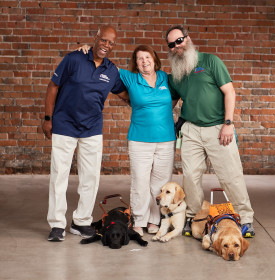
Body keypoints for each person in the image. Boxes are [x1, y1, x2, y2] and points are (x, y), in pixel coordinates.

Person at [165, 25, 255, 237]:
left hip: (218, 128)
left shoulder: (210, 61)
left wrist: (228, 123)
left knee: (230, 176)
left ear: (188, 39)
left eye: (179, 40)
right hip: (191, 131)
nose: (176, 46)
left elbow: (229, 92)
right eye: (171, 44)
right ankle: (195, 218)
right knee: (191, 178)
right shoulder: (176, 74)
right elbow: (168, 101)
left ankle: (246, 219)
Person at [78, 44, 176, 236]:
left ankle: (155, 220)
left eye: (147, 57)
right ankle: (139, 219)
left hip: (166, 140)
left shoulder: (166, 78)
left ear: (155, 59)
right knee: (140, 182)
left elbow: (179, 94)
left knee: (160, 184)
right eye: (140, 59)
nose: (144, 61)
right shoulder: (130, 78)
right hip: (139, 140)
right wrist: (89, 49)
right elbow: (104, 64)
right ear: (135, 63)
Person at [42, 25, 128, 242]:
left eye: (111, 43)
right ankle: (57, 224)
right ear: (95, 38)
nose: (106, 45)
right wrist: (48, 118)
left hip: (92, 129)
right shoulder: (74, 59)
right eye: (103, 40)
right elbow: (53, 86)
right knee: (59, 176)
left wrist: (148, 97)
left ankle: (81, 221)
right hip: (65, 125)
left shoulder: (111, 70)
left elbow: (125, 93)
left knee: (90, 177)